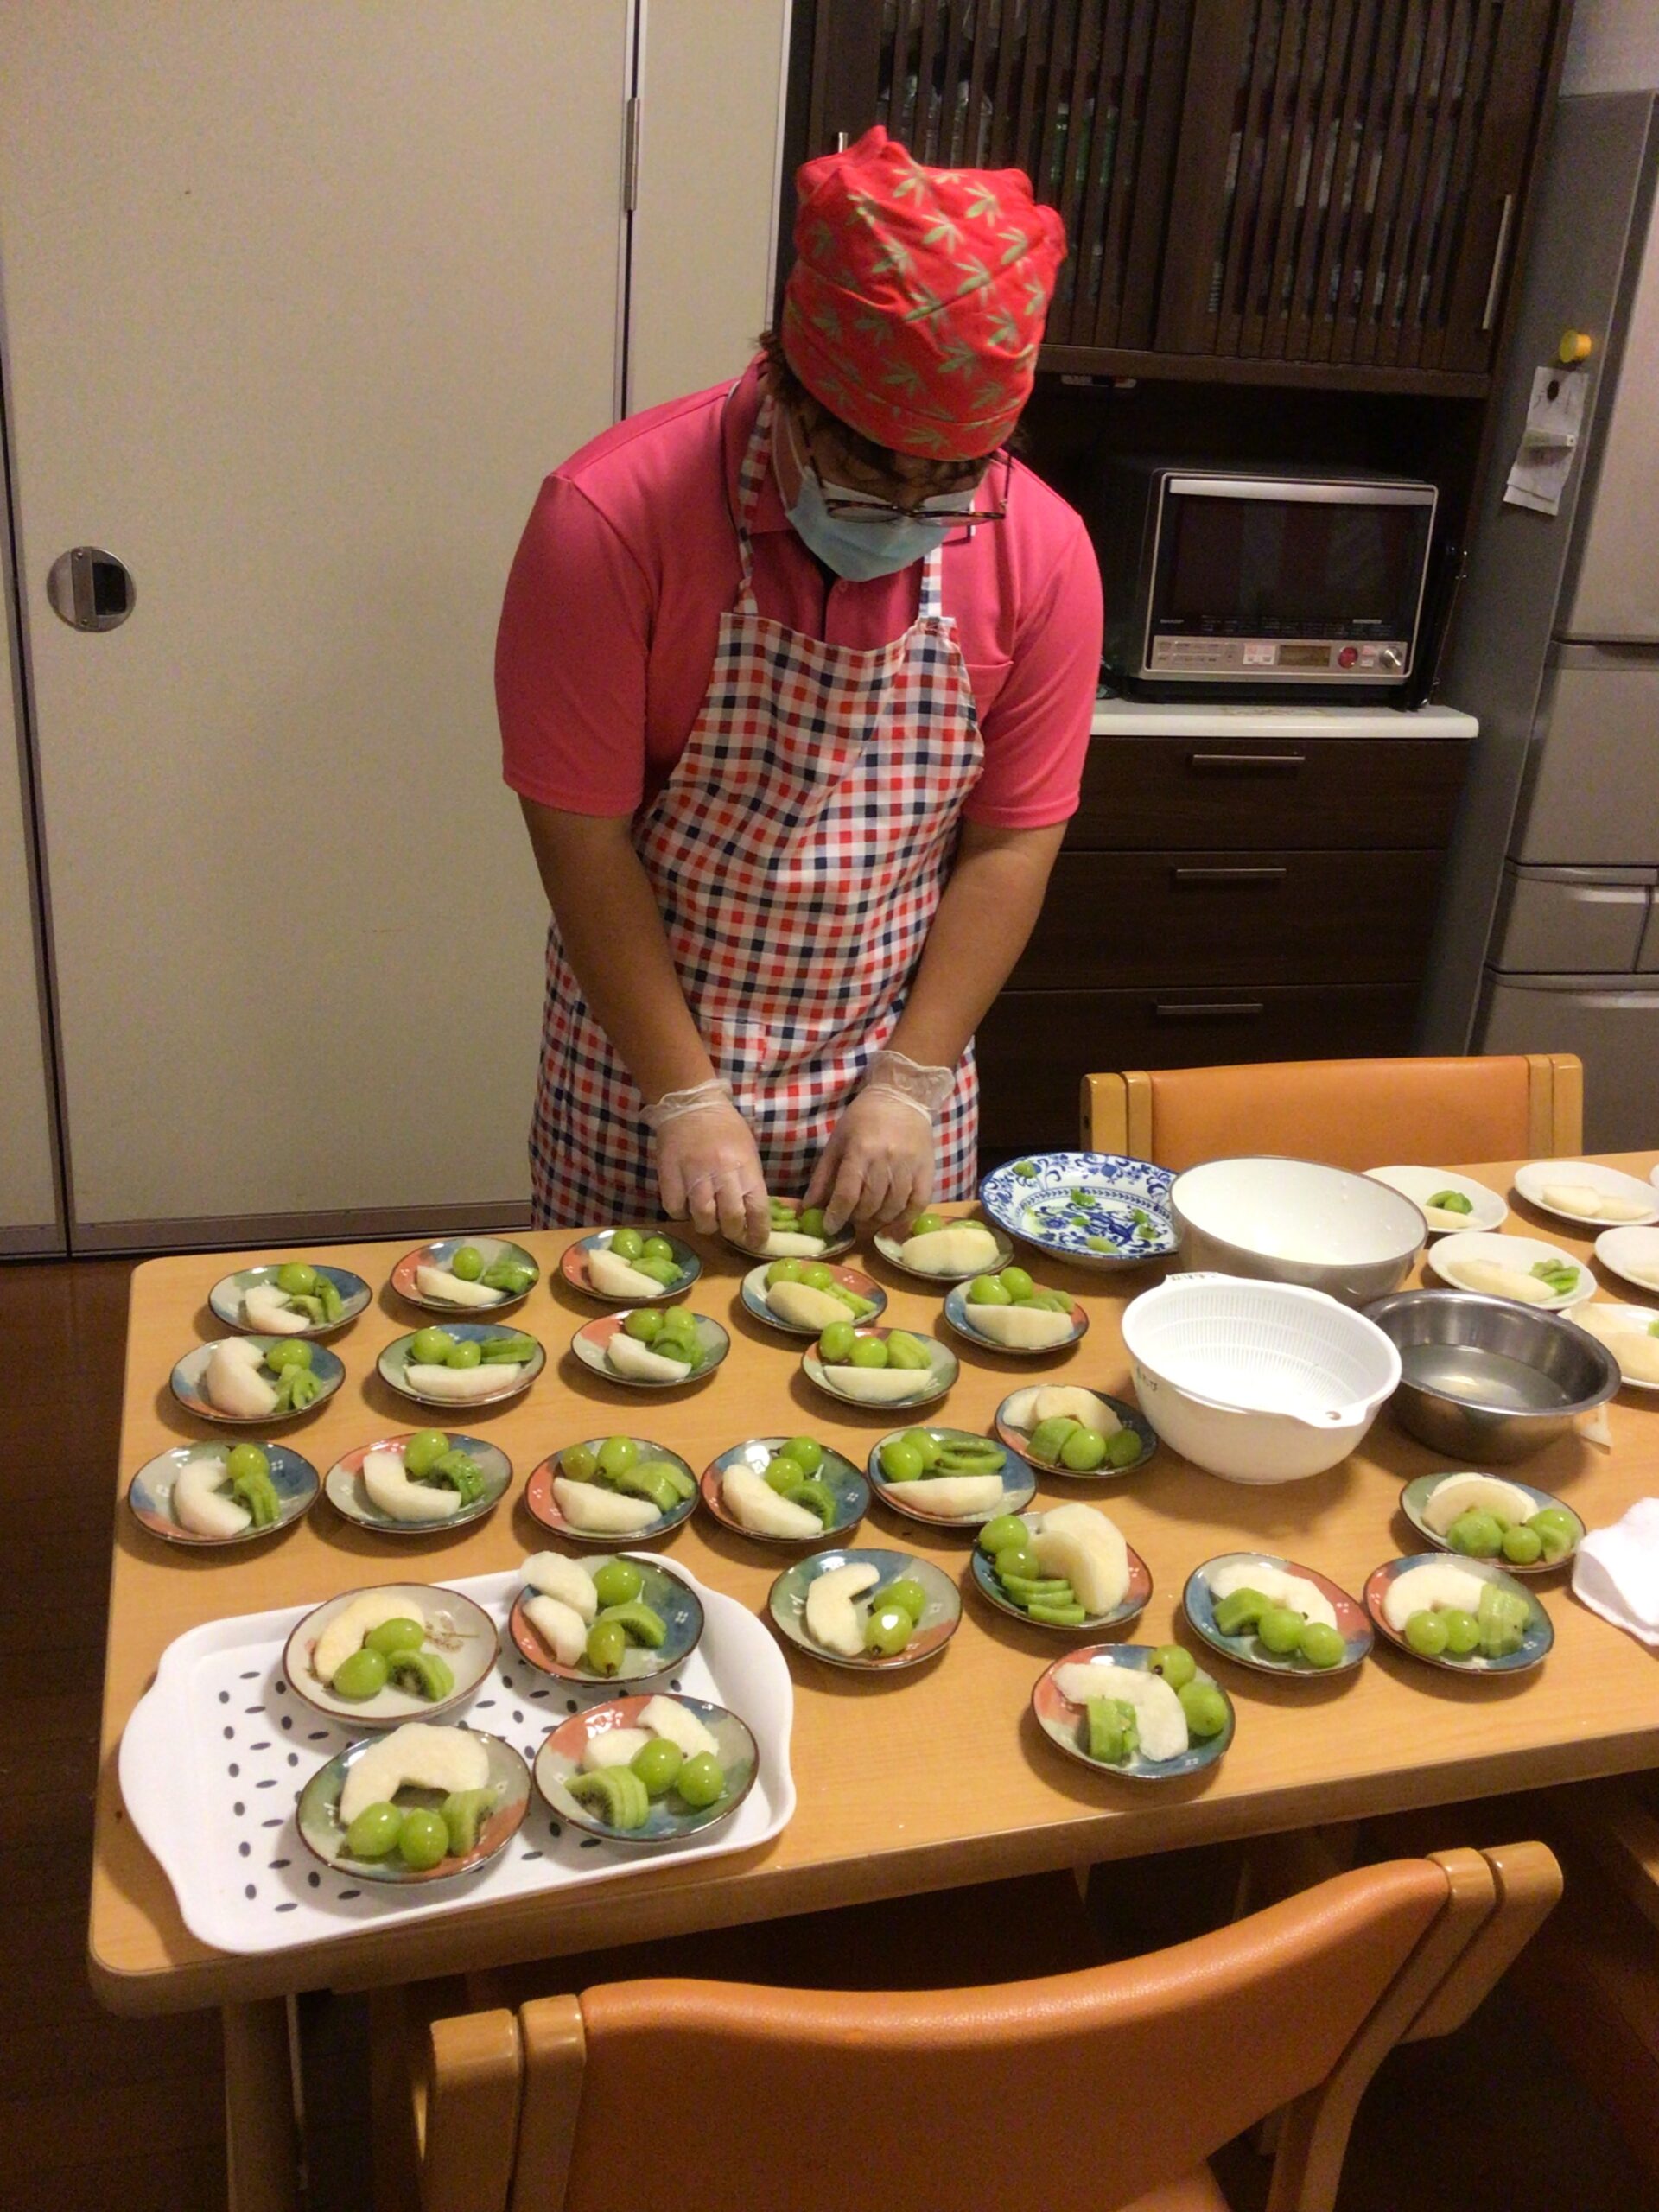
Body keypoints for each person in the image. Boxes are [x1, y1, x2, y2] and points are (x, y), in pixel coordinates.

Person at [496, 125, 1102, 1245]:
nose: (909, 512)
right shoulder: (608, 521)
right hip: (640, 1074)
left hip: (891, 1085)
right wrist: (685, 1095)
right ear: (789, 382)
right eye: (870, 470)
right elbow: (582, 838)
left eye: (951, 482)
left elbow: (1011, 845)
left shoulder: (1044, 553)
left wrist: (911, 1081)